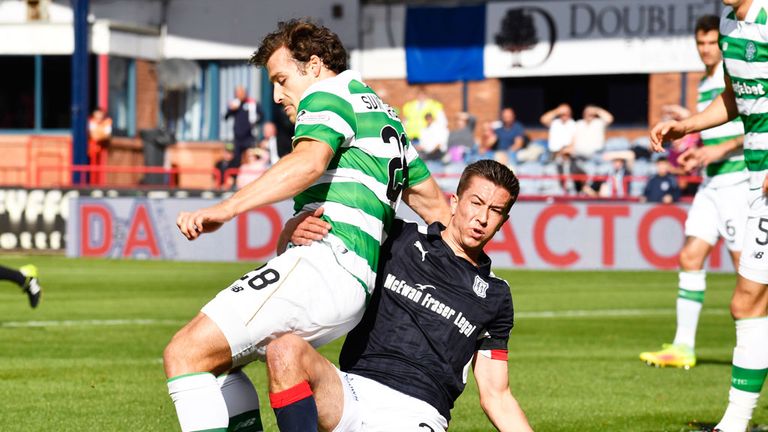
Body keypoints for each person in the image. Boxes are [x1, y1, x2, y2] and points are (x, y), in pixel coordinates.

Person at [164, 19, 450, 432]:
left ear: (314, 65)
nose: (278, 95)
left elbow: (308, 162)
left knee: (185, 353)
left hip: (326, 265)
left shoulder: (326, 95)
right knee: (218, 366)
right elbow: (435, 205)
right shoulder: (383, 115)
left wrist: (225, 209)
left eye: (281, 79)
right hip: (350, 281)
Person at [266, 160, 532, 431]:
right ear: (455, 202)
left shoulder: (495, 294)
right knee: (284, 351)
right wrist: (291, 231)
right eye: (476, 203)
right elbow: (300, 252)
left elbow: (497, 396)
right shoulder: (395, 236)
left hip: (418, 412)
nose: (483, 218)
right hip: (351, 391)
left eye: (495, 210)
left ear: (503, 221)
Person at [650, 2, 768, 430]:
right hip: (756, 181)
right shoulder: (729, 22)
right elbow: (737, 97)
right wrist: (690, 126)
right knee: (748, 298)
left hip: (753, 182)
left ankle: (734, 424)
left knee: (748, 298)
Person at [640, 14, 748, 370]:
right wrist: (695, 150)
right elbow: (715, 130)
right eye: (700, 43)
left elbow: (758, 123)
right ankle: (683, 346)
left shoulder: (739, 69)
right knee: (690, 257)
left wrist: (718, 149)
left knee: (746, 270)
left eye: (710, 43)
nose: (705, 50)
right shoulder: (706, 81)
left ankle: (753, 346)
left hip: (738, 182)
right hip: (712, 182)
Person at [224, 85, 263, 177]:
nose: (240, 95)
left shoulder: (252, 103)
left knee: (250, 157)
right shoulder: (235, 104)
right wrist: (231, 109)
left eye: (242, 92)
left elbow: (261, 116)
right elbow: (226, 117)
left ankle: (251, 178)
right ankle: (235, 179)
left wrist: (254, 122)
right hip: (238, 137)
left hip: (249, 136)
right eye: (238, 93)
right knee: (236, 159)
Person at [87, 107, 112, 186]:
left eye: (100, 115)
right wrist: (102, 133)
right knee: (92, 169)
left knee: (102, 169)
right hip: (92, 150)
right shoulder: (91, 122)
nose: (99, 117)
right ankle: (92, 184)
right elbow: (94, 136)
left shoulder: (107, 122)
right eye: (97, 115)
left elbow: (107, 135)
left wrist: (99, 133)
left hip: (104, 150)